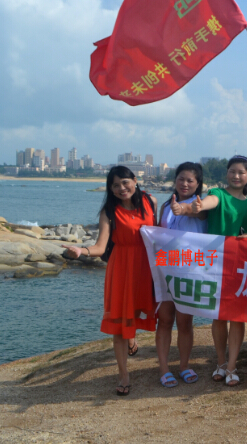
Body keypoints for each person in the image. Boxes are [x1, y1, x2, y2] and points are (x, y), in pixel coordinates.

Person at [62, 166, 157, 396]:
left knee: (142, 311)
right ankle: (124, 375)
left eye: (125, 182)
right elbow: (100, 247)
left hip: (147, 265)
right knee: (119, 324)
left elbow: (161, 233)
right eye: (115, 185)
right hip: (122, 266)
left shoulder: (150, 201)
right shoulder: (109, 211)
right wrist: (81, 251)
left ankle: (132, 340)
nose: (121, 188)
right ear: (110, 189)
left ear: (135, 180)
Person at [187, 156, 247, 386]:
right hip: (214, 263)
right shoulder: (218, 194)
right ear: (226, 174)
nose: (235, 176)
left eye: (241, 172)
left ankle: (232, 365)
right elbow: (210, 203)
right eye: (232, 171)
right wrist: (198, 206)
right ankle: (220, 362)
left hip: (240, 265)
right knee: (218, 315)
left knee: (237, 317)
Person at [156, 162, 208, 387]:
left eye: (190, 180)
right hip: (165, 267)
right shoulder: (166, 205)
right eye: (181, 179)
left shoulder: (202, 205)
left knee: (185, 322)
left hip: (190, 269)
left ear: (198, 184)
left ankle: (184, 365)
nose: (185, 184)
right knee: (165, 320)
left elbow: (197, 213)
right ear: (175, 180)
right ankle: (164, 368)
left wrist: (185, 209)